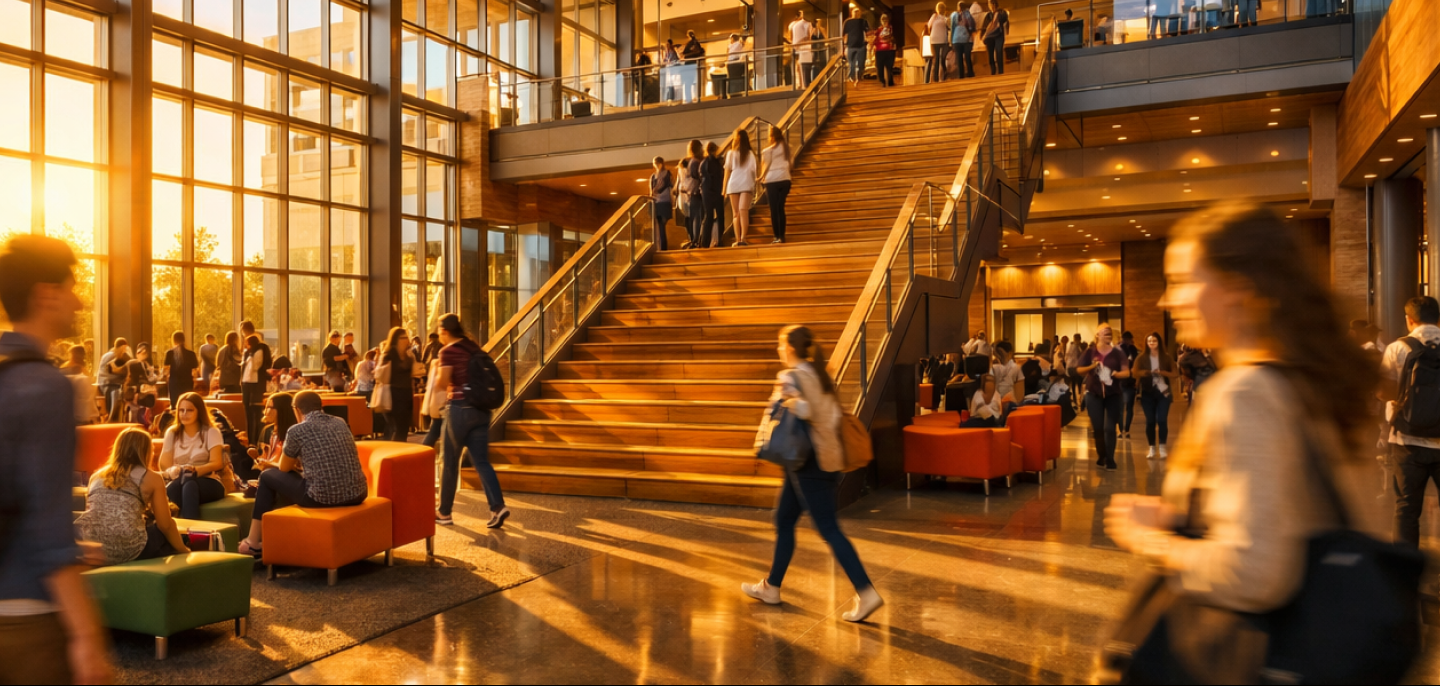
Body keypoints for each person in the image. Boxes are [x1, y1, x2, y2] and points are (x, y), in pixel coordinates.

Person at [1104, 203, 1386, 680]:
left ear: (1238, 288)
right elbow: (1298, 516)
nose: (1167, 301)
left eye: (1182, 281)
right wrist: (1183, 516)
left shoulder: (1245, 392)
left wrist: (1148, 539)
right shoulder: (1314, 382)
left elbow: (1254, 570)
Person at [0, 234, 113, 683]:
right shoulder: (46, 387)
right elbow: (47, 528)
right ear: (46, 295)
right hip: (28, 618)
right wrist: (86, 636)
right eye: (71, 288)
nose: (79, 301)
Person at [741, 325, 883, 622]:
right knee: (784, 519)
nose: (778, 349)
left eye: (781, 344)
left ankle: (866, 591)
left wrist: (788, 399)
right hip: (820, 460)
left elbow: (808, 412)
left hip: (808, 463)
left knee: (828, 528)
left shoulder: (792, 376)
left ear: (790, 348)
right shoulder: (820, 375)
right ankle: (771, 587)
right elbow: (829, 415)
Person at [238, 391, 369, 558]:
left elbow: (284, 468)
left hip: (320, 498)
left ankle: (253, 541)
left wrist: (269, 464)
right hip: (358, 493)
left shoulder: (296, 430)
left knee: (267, 476)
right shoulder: (340, 422)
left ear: (297, 410)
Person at [433, 313, 511, 529]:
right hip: (481, 410)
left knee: (449, 461)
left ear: (444, 330)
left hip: (459, 408)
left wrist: (436, 370)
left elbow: (442, 382)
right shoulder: (473, 347)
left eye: (439, 331)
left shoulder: (448, 351)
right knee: (481, 461)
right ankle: (497, 507)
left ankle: (444, 512)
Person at [77, 427, 192, 567]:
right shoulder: (152, 478)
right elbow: (165, 525)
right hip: (130, 548)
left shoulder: (96, 476)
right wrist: (184, 550)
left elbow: (95, 515)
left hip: (95, 549)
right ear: (146, 451)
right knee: (165, 534)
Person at [1380, 296, 1440, 549]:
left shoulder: (1398, 348)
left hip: (1407, 440)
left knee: (1406, 508)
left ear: (1409, 320)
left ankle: (1405, 571)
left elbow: (1385, 391)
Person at [158, 392, 227, 520]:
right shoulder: (172, 433)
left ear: (199, 411)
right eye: (181, 410)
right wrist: (177, 471)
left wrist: (194, 470)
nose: (184, 414)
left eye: (189, 410)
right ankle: (190, 527)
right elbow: (164, 465)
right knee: (184, 484)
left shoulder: (211, 431)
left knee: (188, 482)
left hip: (209, 482)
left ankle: (183, 526)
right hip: (180, 480)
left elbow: (217, 463)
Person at [1078, 323, 1131, 471]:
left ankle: (1110, 459)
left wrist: (1116, 374)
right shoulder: (1090, 352)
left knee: (1110, 428)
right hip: (1094, 394)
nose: (1108, 333)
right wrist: (1092, 366)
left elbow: (1126, 372)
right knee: (1098, 428)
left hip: (1113, 394)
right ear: (1097, 335)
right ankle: (1102, 455)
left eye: (1109, 332)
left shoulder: (1118, 352)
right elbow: (1079, 370)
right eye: (1105, 331)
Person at [1133, 332, 1178, 460]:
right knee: (1150, 421)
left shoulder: (1166, 357)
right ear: (1146, 343)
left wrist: (1161, 372)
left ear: (1159, 342)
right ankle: (1152, 447)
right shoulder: (1141, 358)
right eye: (1149, 341)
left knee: (1162, 420)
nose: (1152, 343)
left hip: (1163, 392)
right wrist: (1148, 372)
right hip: (1147, 392)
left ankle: (1162, 447)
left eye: (1154, 340)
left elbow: (1175, 373)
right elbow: (1135, 372)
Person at [241, 392, 296, 482]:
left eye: (270, 407)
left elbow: (293, 466)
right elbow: (262, 456)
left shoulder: (293, 432)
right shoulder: (267, 430)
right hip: (265, 474)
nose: (266, 412)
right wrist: (255, 455)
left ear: (282, 410)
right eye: (266, 407)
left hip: (284, 476)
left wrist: (269, 465)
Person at [380, 326, 417, 442]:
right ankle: (394, 450)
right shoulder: (389, 355)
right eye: (402, 338)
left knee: (404, 428)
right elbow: (380, 375)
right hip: (392, 394)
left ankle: (401, 449)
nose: (406, 340)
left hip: (406, 394)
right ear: (395, 339)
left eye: (406, 337)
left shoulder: (409, 356)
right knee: (397, 428)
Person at [724, 129, 758, 247]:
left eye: (735, 138)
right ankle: (739, 238)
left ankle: (742, 238)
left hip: (740, 183)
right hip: (739, 183)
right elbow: (727, 171)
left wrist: (724, 189)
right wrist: (724, 189)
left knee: (740, 211)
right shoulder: (733, 153)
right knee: (739, 212)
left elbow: (727, 172)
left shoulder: (747, 154)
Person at [761, 128, 793, 244]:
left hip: (771, 180)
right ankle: (782, 236)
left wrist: (761, 177)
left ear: (772, 136)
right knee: (780, 207)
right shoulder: (787, 148)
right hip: (785, 179)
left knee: (774, 209)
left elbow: (765, 166)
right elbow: (791, 164)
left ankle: (776, 236)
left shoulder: (767, 151)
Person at [242, 330, 273, 436]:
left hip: (255, 384)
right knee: (249, 412)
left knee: (256, 413)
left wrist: (250, 357)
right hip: (247, 383)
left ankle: (256, 436)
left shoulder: (259, 351)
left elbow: (255, 366)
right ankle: (251, 436)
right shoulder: (247, 353)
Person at [123, 342, 159, 425]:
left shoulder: (144, 364)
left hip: (137, 393)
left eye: (145, 352)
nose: (144, 354)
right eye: (141, 352)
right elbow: (144, 380)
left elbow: (148, 380)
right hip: (136, 393)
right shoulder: (135, 364)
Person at [700, 141, 726, 248]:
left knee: (708, 216)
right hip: (717, 191)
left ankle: (704, 242)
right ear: (715, 150)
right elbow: (719, 176)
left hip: (706, 191)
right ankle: (720, 240)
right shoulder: (716, 162)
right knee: (720, 216)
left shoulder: (703, 163)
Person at [163, 331, 199, 407]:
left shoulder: (170, 353)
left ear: (173, 340)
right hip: (187, 382)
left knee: (174, 404)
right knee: (187, 402)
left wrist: (166, 378)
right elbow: (195, 371)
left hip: (174, 382)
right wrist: (194, 381)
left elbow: (166, 370)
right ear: (184, 340)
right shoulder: (191, 354)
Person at [681, 139, 705, 249]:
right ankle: (696, 240)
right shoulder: (696, 162)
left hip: (691, 192)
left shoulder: (691, 161)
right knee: (698, 216)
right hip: (696, 191)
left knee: (695, 216)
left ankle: (695, 240)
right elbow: (697, 175)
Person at [99, 337, 129, 421]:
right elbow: (118, 371)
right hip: (109, 385)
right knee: (117, 393)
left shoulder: (108, 355)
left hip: (105, 384)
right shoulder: (114, 356)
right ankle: (113, 418)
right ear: (123, 347)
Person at [1118, 330, 1140, 439]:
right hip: (1129, 380)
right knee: (1128, 407)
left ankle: (1122, 430)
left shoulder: (1119, 349)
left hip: (1122, 381)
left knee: (1121, 408)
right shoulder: (1133, 350)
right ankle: (1126, 430)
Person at [650, 156, 674, 251]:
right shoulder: (667, 174)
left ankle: (661, 248)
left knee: (660, 226)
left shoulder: (654, 176)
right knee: (661, 226)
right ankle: (662, 247)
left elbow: (651, 192)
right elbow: (672, 187)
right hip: (665, 202)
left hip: (659, 203)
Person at [980, 0, 1009, 75]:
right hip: (990, 37)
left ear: (993, 4)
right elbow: (985, 26)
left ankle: (1000, 71)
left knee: (999, 52)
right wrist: (982, 35)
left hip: (999, 35)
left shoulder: (1001, 12)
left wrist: (997, 14)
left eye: (989, 4)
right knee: (990, 54)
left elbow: (1004, 19)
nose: (989, 6)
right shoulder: (988, 15)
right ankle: (993, 70)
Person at [842, 8, 870, 85]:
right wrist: (844, 46)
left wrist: (869, 41)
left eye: (858, 12)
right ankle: (851, 78)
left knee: (861, 64)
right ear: (852, 12)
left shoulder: (863, 21)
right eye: (855, 11)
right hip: (850, 46)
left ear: (860, 13)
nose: (856, 13)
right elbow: (844, 34)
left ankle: (859, 77)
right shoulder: (847, 22)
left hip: (861, 45)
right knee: (851, 64)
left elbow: (868, 32)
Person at [950, 2, 977, 79]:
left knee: (959, 59)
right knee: (968, 57)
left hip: (956, 39)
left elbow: (952, 28)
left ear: (958, 7)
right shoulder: (968, 15)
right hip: (967, 39)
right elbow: (972, 26)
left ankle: (961, 76)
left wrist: (951, 40)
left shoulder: (953, 15)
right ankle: (970, 74)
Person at [788, 11, 813, 89]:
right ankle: (802, 84)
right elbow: (809, 36)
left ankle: (799, 84)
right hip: (803, 49)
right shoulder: (806, 24)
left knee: (798, 67)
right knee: (802, 66)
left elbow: (790, 37)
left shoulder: (792, 25)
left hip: (795, 48)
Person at [926, 3, 950, 84]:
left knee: (940, 59)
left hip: (938, 40)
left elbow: (929, 25)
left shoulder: (944, 18)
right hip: (938, 40)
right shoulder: (937, 16)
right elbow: (928, 25)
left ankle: (940, 76)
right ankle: (937, 77)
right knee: (938, 59)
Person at [873, 14, 897, 88]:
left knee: (889, 67)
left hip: (889, 50)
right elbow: (875, 39)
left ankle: (890, 82)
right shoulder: (879, 30)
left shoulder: (891, 28)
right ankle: (882, 81)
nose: (884, 22)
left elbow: (893, 38)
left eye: (885, 20)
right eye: (883, 20)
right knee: (880, 66)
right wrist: (874, 45)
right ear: (881, 21)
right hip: (879, 50)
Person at [681, 30, 705, 103]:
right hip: (694, 64)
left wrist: (685, 56)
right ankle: (697, 97)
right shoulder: (696, 43)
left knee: (687, 83)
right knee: (692, 82)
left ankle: (689, 99)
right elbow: (700, 52)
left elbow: (685, 53)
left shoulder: (690, 44)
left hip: (688, 65)